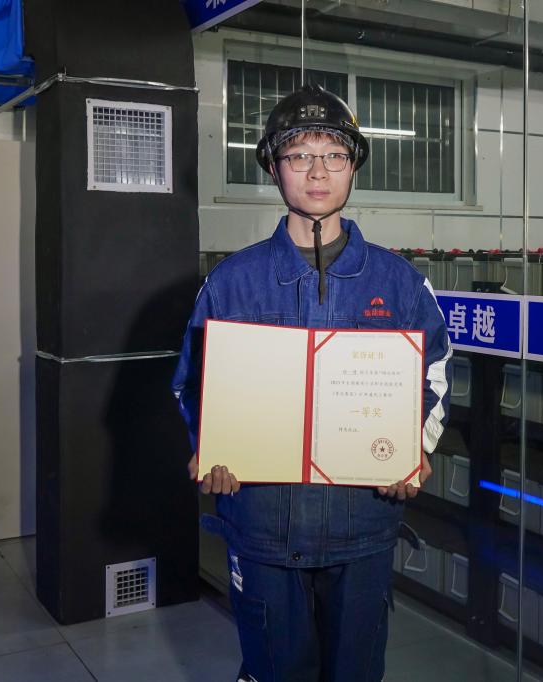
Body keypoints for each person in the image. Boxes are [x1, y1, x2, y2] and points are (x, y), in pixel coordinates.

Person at [172, 84, 452, 682]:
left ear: (354, 166)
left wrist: (414, 450)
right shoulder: (231, 282)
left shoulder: (399, 283)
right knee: (277, 670)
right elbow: (192, 382)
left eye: (334, 155)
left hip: (364, 523)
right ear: (274, 167)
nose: (318, 171)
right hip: (264, 526)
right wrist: (209, 448)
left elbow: (435, 371)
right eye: (299, 154)